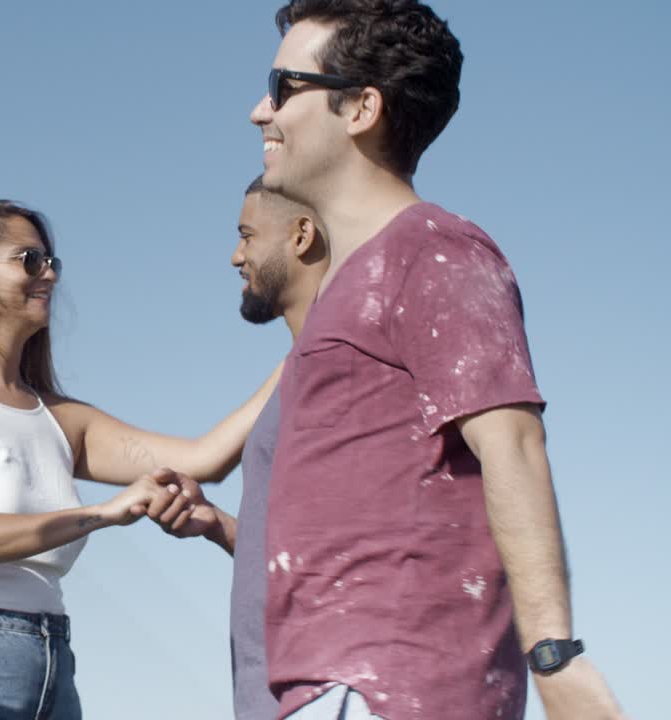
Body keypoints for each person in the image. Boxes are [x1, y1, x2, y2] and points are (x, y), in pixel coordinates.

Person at [240, 1, 624, 718]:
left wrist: (555, 653)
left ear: (361, 106)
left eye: (284, 86)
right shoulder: (346, 285)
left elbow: (512, 443)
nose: (261, 110)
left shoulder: (434, 249)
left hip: (392, 690)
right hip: (330, 688)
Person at [0, 199, 279, 719]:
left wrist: (306, 347)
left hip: (49, 664)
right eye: (29, 260)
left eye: (51, 262)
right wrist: (106, 513)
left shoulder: (59, 419)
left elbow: (205, 459)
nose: (48, 275)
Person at [156, 175, 328, 720]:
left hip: (322, 694)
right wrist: (222, 527)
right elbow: (313, 547)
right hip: (272, 698)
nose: (235, 256)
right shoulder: (294, 375)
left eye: (247, 236)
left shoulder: (346, 368)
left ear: (301, 235)